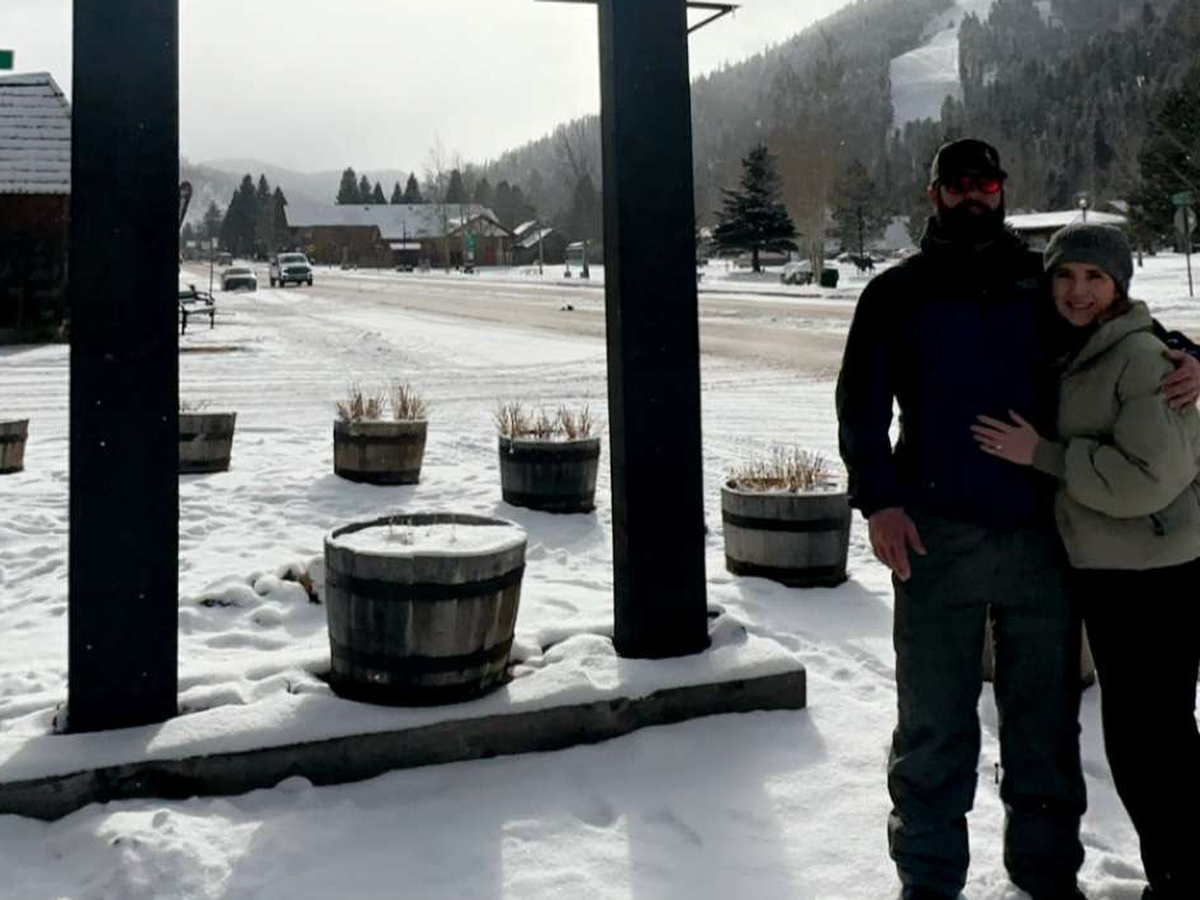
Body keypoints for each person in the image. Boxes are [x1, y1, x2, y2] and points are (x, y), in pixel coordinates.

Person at [835, 138, 1200, 900]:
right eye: (957, 184)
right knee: (933, 724)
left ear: (1002, 191)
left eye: (986, 183)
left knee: (1044, 725)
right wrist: (880, 502)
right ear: (934, 195)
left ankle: (1046, 875)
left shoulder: (1039, 285)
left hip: (1042, 537)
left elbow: (1122, 329)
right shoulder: (896, 294)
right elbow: (861, 408)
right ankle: (928, 880)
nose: (973, 194)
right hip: (935, 536)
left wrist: (1192, 354)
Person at [972, 224, 1200, 900]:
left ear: (1119, 285)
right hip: (1117, 571)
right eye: (1066, 276)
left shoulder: (1138, 357)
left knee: (1153, 747)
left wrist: (1042, 454)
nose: (1078, 291)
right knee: (1148, 742)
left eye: (1094, 277)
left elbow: (1147, 480)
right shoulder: (1086, 348)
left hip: (1154, 576)